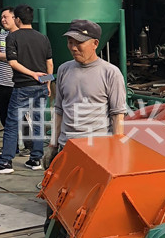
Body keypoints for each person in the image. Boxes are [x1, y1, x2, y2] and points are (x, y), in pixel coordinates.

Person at [43, 19, 126, 166]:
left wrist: (117, 150)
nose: (73, 48)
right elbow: (59, 110)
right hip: (67, 146)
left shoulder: (110, 73)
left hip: (97, 149)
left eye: (79, 43)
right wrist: (53, 145)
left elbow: (117, 115)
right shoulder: (64, 70)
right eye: (70, 42)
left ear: (95, 43)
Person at [0, 4, 52, 174]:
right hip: (41, 87)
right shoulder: (42, 38)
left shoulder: (13, 37)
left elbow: (13, 62)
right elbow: (49, 63)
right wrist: (47, 83)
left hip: (23, 86)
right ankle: (35, 159)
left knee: (11, 123)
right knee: (38, 122)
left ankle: (5, 162)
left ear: (17, 19)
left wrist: (32, 74)